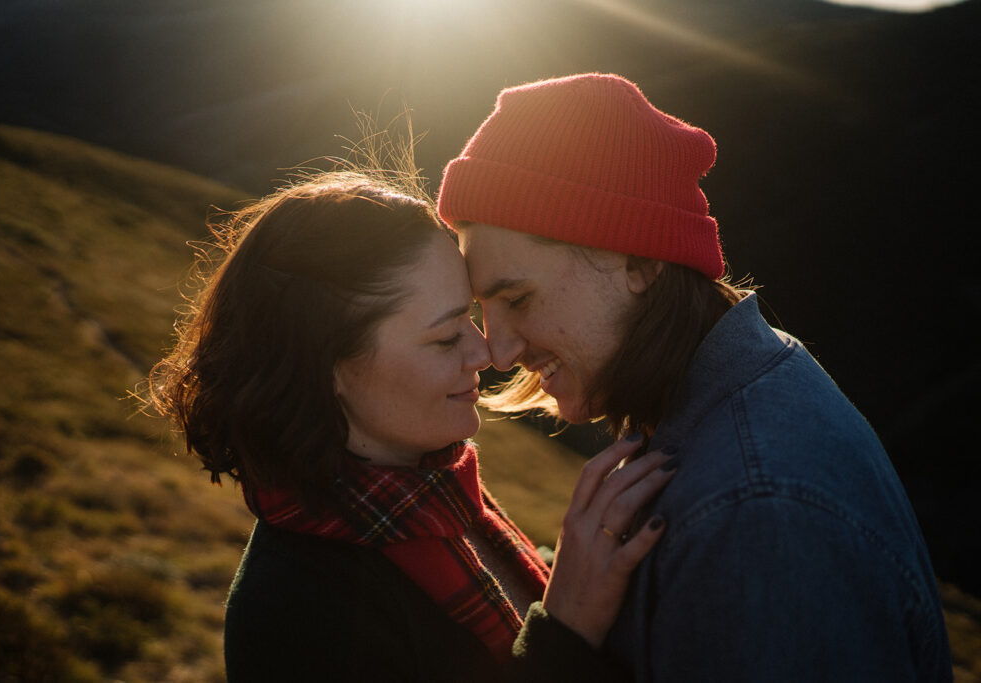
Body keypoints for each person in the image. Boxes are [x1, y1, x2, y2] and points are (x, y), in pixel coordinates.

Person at [436, 72, 953, 682]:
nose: (498, 352)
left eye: (517, 298)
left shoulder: (757, 517)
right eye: (480, 310)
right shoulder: (737, 394)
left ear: (640, 260)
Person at [145, 169, 678, 682]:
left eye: (469, 318)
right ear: (329, 369)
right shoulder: (295, 615)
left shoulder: (434, 502)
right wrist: (565, 629)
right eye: (447, 338)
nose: (485, 351)